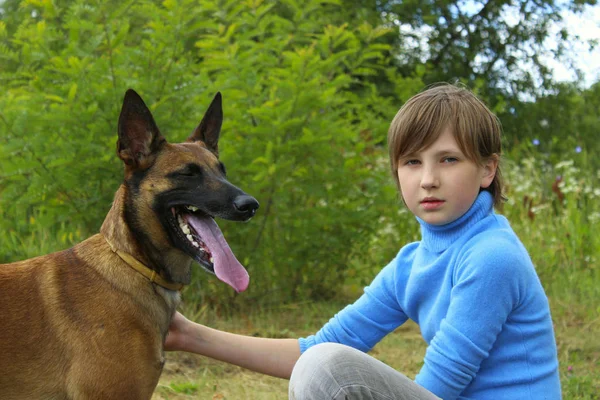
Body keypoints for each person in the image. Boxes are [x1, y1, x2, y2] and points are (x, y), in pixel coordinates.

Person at [164, 83, 562, 400]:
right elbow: (317, 346)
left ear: (488, 169)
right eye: (412, 162)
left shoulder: (491, 256)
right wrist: (188, 335)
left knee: (327, 369)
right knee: (318, 363)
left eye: (448, 159)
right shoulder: (413, 263)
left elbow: (435, 389)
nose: (427, 179)